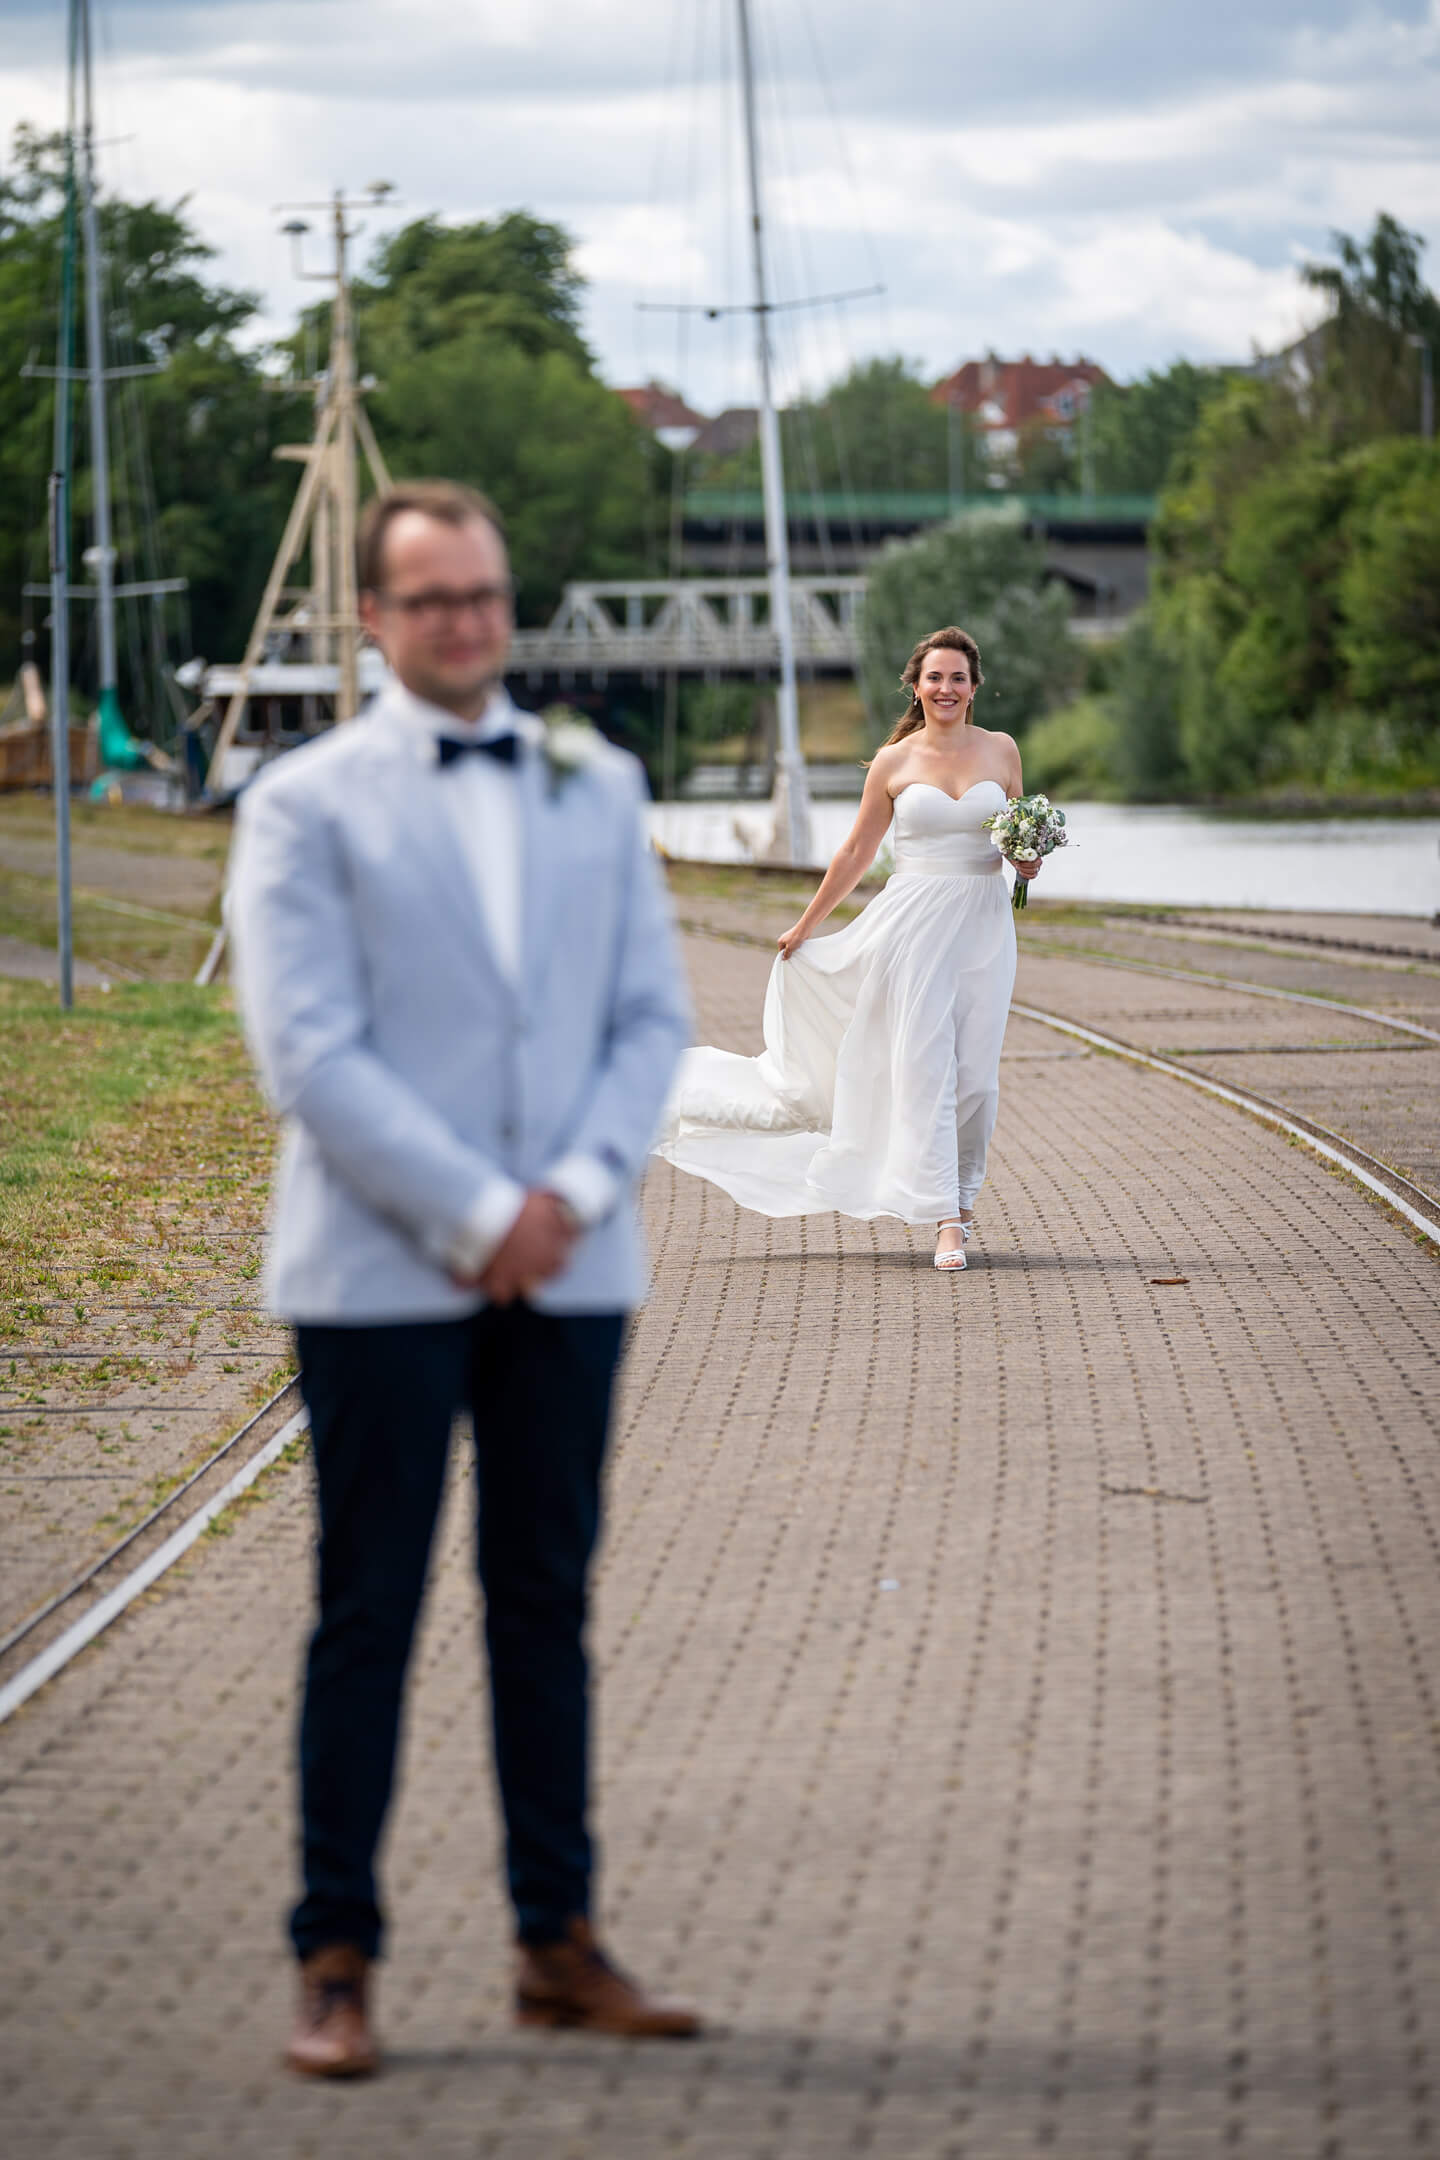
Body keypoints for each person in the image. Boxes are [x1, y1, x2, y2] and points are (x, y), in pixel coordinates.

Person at [228, 480, 697, 2077]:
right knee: (367, 1612)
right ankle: (335, 1959)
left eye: (486, 596)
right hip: (377, 1274)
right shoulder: (304, 800)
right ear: (371, 617)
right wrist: (473, 1210)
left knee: (545, 1607)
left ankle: (556, 1943)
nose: (465, 624)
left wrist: (561, 1197)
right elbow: (308, 1050)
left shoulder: (598, 780)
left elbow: (652, 1019)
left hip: (571, 1268)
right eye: (431, 601)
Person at [655, 627, 1040, 1272]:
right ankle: (946, 1216)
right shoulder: (894, 763)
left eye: (958, 678)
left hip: (984, 926)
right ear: (916, 687)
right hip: (913, 931)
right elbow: (857, 852)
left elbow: (1014, 838)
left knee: (974, 1074)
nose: (946, 689)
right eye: (934, 678)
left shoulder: (1002, 752)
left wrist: (1028, 863)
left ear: (975, 686)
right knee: (927, 1069)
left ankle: (960, 1195)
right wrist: (807, 925)